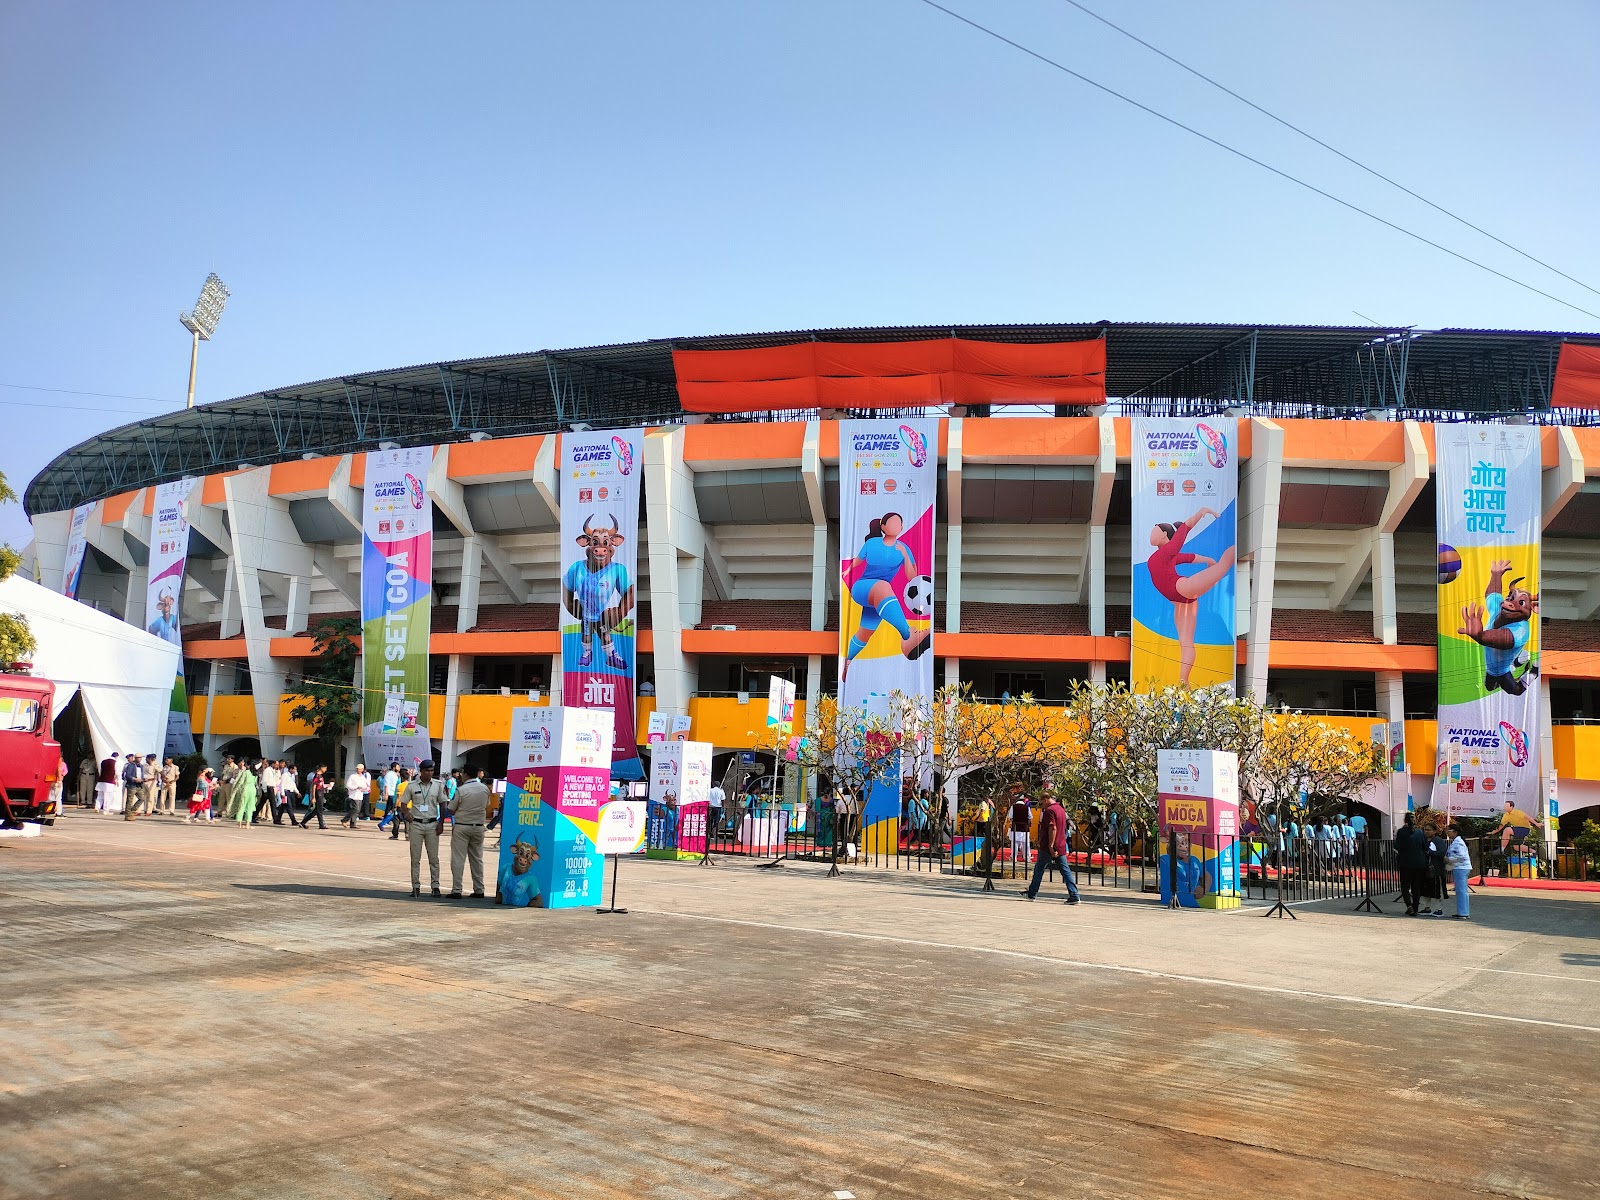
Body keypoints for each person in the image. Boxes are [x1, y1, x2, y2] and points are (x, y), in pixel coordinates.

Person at [1144, 506, 1237, 686]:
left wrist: (1202, 512)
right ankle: (1183, 681)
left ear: (1164, 534)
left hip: (1183, 588)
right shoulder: (1166, 554)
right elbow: (1189, 557)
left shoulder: (1168, 550)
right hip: (1182, 602)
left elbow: (1184, 530)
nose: (1150, 535)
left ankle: (1239, 546)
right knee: (1186, 643)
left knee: (1223, 566)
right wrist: (1207, 560)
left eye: (1154, 531)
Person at [841, 512, 930, 683]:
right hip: (862, 588)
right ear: (883, 527)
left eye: (899, 524)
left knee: (865, 633)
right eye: (893, 523)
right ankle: (907, 635)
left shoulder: (904, 548)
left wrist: (904, 554)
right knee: (883, 586)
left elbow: (912, 577)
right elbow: (859, 560)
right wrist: (847, 571)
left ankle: (848, 662)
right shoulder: (872, 543)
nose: (897, 526)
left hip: (880, 597)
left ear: (902, 528)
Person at [563, 512, 635, 670]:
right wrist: (570, 606)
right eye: (595, 543)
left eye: (605, 543)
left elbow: (630, 593)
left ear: (614, 543)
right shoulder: (577, 567)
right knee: (586, 632)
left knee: (605, 634)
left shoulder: (617, 569)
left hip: (603, 614)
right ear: (586, 544)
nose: (600, 549)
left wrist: (620, 612)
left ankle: (611, 657)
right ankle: (586, 654)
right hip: (585, 612)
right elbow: (566, 587)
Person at [1457, 559, 1539, 696]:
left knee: (1517, 691)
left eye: (1521, 602)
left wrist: (1480, 636)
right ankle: (1517, 662)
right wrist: (1496, 575)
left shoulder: (1521, 631)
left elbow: (1502, 639)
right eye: (1510, 597)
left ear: (1533, 608)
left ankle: (1533, 673)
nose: (1509, 603)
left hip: (1502, 671)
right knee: (1489, 687)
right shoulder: (1498, 610)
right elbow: (1492, 594)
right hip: (1492, 668)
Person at [1022, 791, 1080, 904]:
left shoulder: (1050, 811)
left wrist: (1050, 845)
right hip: (1061, 844)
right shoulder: (1061, 809)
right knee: (1065, 870)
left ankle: (1032, 894)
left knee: (1039, 869)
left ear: (1045, 800)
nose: (1041, 806)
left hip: (1049, 846)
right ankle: (1074, 894)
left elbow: (1052, 828)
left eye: (1041, 803)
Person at [446, 768, 492, 898]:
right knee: (477, 859)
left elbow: (451, 809)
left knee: (458, 858)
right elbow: (486, 805)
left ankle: (456, 890)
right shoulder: (484, 789)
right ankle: (479, 889)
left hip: (462, 826)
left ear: (465, 774)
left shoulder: (461, 790)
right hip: (478, 827)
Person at [404, 760, 447, 898]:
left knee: (434, 858)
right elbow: (403, 803)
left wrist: (441, 823)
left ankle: (435, 886)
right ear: (421, 771)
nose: (430, 773)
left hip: (432, 824)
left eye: (432, 771)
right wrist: (406, 813)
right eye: (427, 771)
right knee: (415, 857)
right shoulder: (411, 785)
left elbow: (443, 804)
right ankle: (415, 886)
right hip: (416, 824)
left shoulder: (438, 785)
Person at [1394, 812, 1428, 916]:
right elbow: (1425, 847)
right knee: (1416, 887)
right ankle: (1416, 908)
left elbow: (1397, 846)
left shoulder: (1401, 832)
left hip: (1406, 862)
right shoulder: (1420, 832)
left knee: (1405, 886)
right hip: (1420, 863)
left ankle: (1409, 906)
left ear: (1405, 820)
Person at [497, 837, 542, 907]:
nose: (523, 858)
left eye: (527, 855)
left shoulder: (531, 878)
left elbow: (538, 900)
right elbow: (499, 884)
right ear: (515, 851)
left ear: (533, 857)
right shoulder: (506, 868)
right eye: (520, 853)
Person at [1445, 824, 1473, 919]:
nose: (1447, 832)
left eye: (1449, 830)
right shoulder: (1457, 841)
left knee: (1461, 891)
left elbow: (1461, 856)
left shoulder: (1458, 842)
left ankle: (1463, 912)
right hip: (1460, 867)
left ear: (1455, 832)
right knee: (1461, 890)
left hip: (1461, 867)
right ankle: (1463, 911)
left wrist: (1449, 860)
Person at [229, 760, 258, 828]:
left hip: (245, 789)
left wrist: (235, 789)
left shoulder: (245, 772)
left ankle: (239, 823)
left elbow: (240, 782)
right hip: (252, 790)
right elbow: (255, 783)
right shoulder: (255, 773)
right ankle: (248, 824)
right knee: (250, 807)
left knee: (242, 805)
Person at [342, 762, 371, 829]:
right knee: (355, 809)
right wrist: (355, 787)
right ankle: (345, 820)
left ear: (362, 769)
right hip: (353, 795)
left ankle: (353, 823)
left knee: (357, 810)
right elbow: (348, 785)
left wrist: (364, 789)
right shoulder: (352, 776)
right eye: (357, 769)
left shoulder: (363, 777)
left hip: (360, 795)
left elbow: (365, 785)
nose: (358, 770)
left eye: (360, 769)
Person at [378, 762, 403, 838]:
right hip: (391, 794)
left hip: (395, 793)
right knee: (393, 810)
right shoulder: (389, 774)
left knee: (392, 810)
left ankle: (384, 822)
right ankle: (383, 823)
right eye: (398, 767)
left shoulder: (396, 775)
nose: (399, 768)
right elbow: (386, 785)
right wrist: (386, 794)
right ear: (394, 767)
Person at [121, 753, 147, 820]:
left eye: (141, 758)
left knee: (142, 798)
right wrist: (134, 779)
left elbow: (141, 774)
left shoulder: (141, 766)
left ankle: (131, 811)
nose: (140, 759)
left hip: (139, 785)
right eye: (138, 757)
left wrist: (143, 779)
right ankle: (128, 815)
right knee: (130, 800)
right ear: (135, 758)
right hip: (132, 785)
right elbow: (128, 775)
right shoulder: (131, 765)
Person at [1009, 791, 1031, 866]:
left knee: (1015, 844)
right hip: (1025, 828)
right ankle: (1027, 858)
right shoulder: (1027, 807)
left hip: (1015, 828)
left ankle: (1014, 857)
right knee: (1026, 844)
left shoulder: (1013, 807)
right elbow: (1030, 817)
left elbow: (1010, 817)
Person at [217, 755, 239, 820]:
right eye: (227, 759)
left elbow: (233, 776)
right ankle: (219, 812)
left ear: (232, 760)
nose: (228, 760)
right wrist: (221, 780)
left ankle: (229, 812)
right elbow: (223, 774)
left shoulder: (235, 767)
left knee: (228, 798)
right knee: (221, 797)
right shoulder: (226, 766)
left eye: (229, 759)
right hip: (223, 783)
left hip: (229, 783)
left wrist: (225, 781)